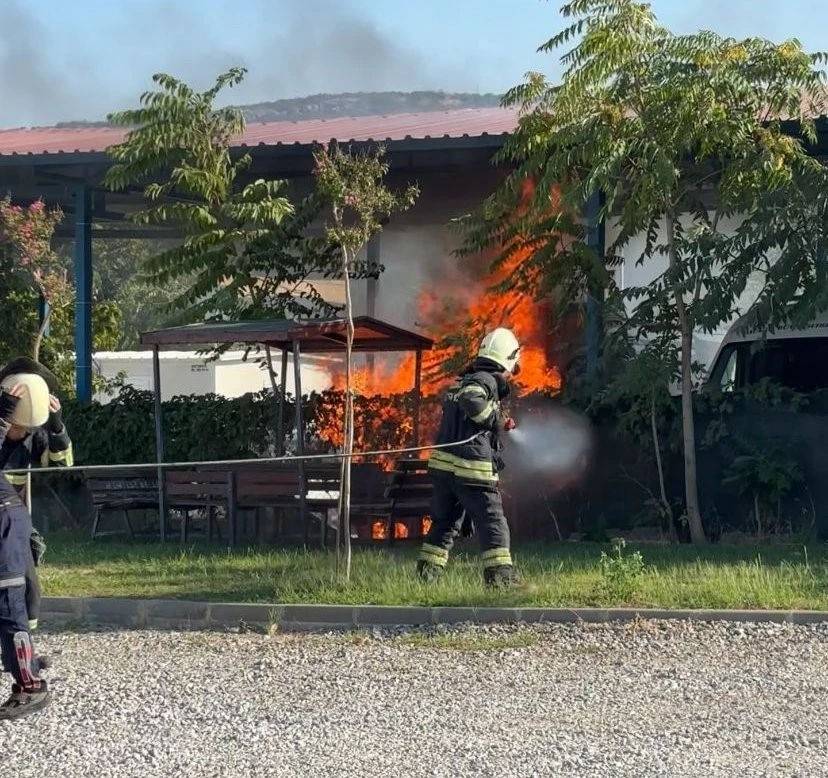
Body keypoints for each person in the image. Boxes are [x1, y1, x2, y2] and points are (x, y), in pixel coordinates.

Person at [417, 328, 521, 587]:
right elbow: (472, 400)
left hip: (445, 470)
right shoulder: (484, 380)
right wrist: (496, 420)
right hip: (471, 468)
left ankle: (426, 578)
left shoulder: (462, 381)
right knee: (493, 522)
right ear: (507, 359)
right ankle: (501, 580)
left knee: (445, 524)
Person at [0, 357, 73, 637]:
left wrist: (57, 428)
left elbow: (62, 468)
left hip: (14, 529)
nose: (20, 433)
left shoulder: (34, 437)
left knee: (29, 593)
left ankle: (23, 648)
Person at [0, 470, 50, 719]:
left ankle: (31, 686)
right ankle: (24, 664)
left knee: (8, 604)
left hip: (4, 521)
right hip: (10, 516)